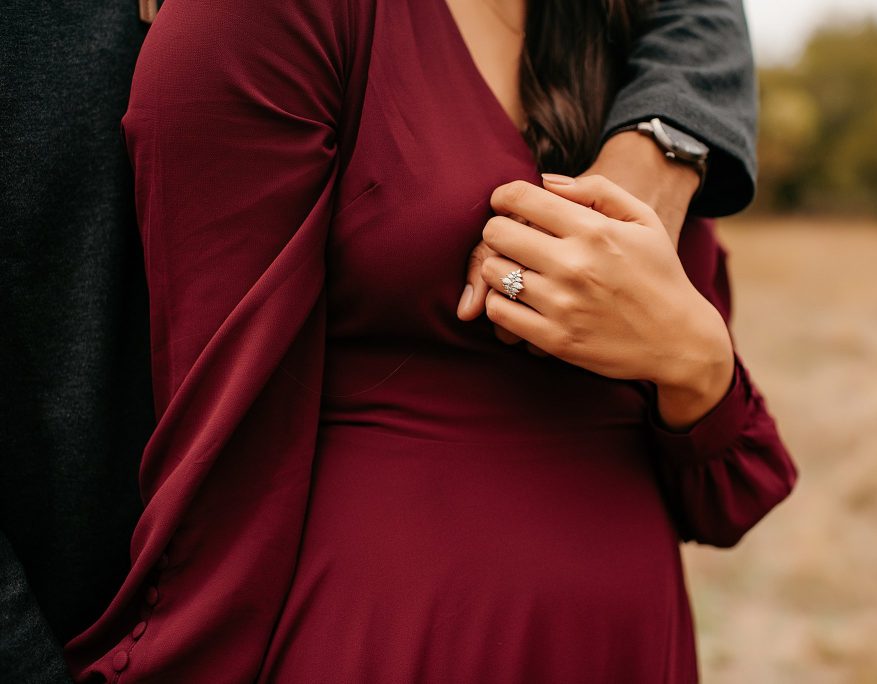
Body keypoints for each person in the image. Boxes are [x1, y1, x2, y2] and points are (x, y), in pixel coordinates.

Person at [0, 1, 786, 683]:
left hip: (632, 639)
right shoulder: (277, 21)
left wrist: (699, 361)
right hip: (397, 638)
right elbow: (219, 439)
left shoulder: (644, 54)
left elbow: (718, 494)